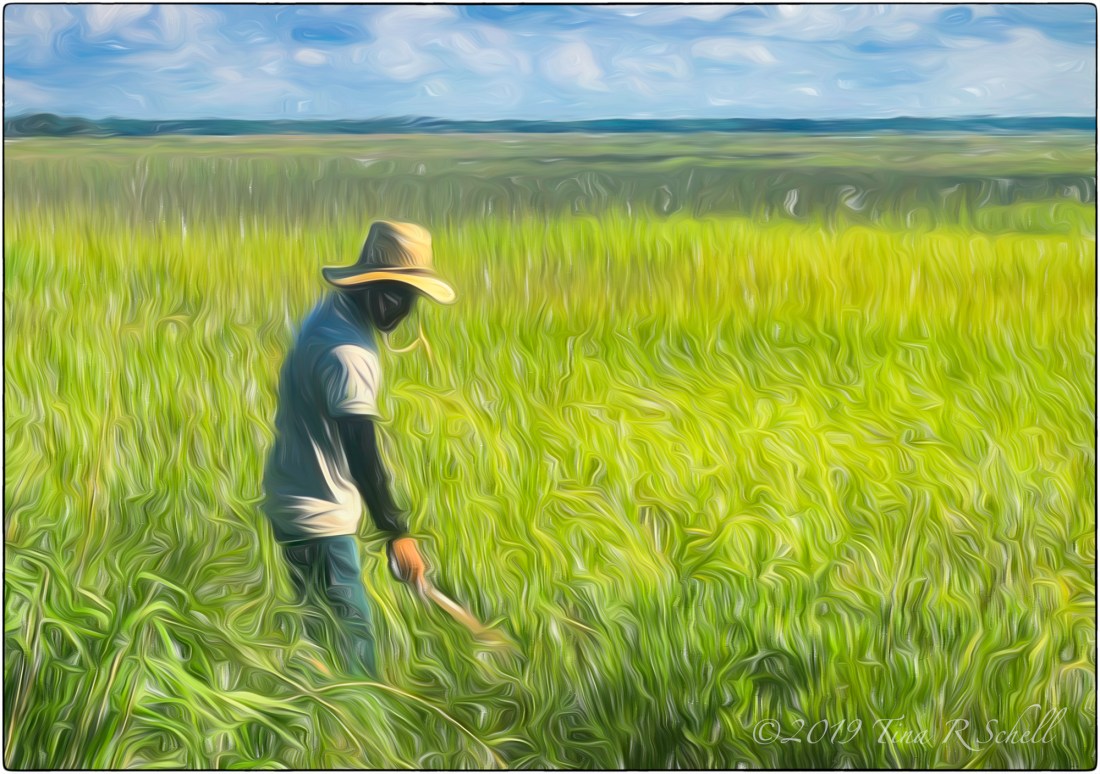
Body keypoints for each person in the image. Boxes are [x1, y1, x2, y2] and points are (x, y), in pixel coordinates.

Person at [262, 220, 456, 678]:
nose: (399, 309)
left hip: (293, 500)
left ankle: (321, 737)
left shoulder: (330, 315)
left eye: (409, 298)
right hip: (319, 516)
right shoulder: (349, 352)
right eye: (391, 293)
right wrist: (397, 533)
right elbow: (362, 452)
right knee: (355, 657)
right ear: (367, 286)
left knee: (322, 643)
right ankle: (354, 743)